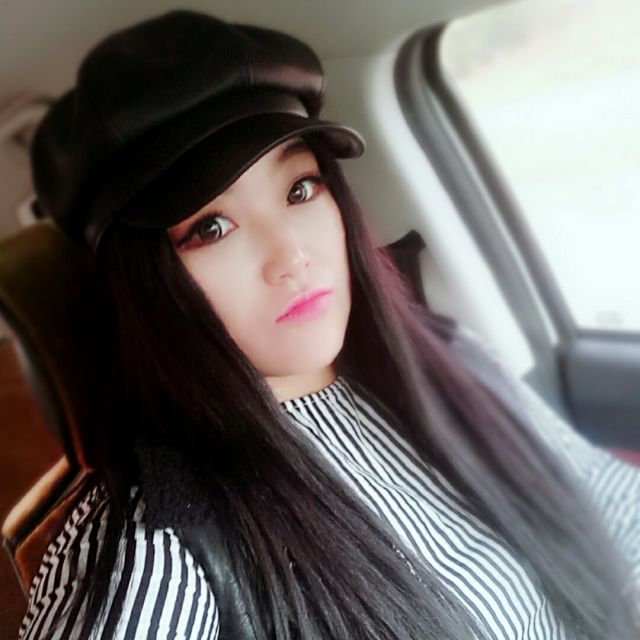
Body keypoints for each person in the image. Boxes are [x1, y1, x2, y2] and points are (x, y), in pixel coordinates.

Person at [16, 9, 640, 640]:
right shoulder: (159, 539)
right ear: (144, 282)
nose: (292, 256)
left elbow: (618, 517)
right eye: (212, 227)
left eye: (300, 190)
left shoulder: (455, 358)